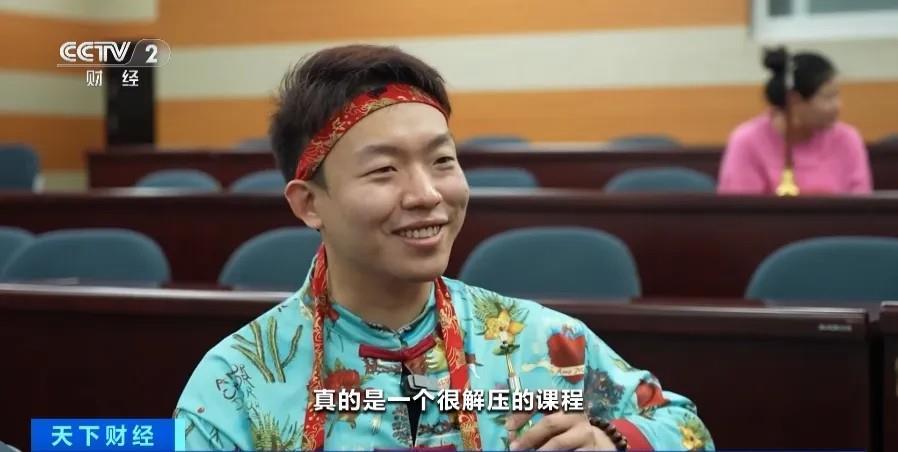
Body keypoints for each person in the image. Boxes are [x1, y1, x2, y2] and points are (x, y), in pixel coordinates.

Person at [174, 44, 713, 451]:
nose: (428, 195)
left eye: (442, 161)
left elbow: (687, 429)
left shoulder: (538, 342)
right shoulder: (238, 384)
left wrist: (608, 441)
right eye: (384, 170)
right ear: (309, 203)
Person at [718, 48, 872, 195]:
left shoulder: (847, 139)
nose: (838, 106)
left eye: (837, 96)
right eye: (828, 97)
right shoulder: (747, 141)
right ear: (794, 100)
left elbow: (861, 204)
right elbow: (739, 209)